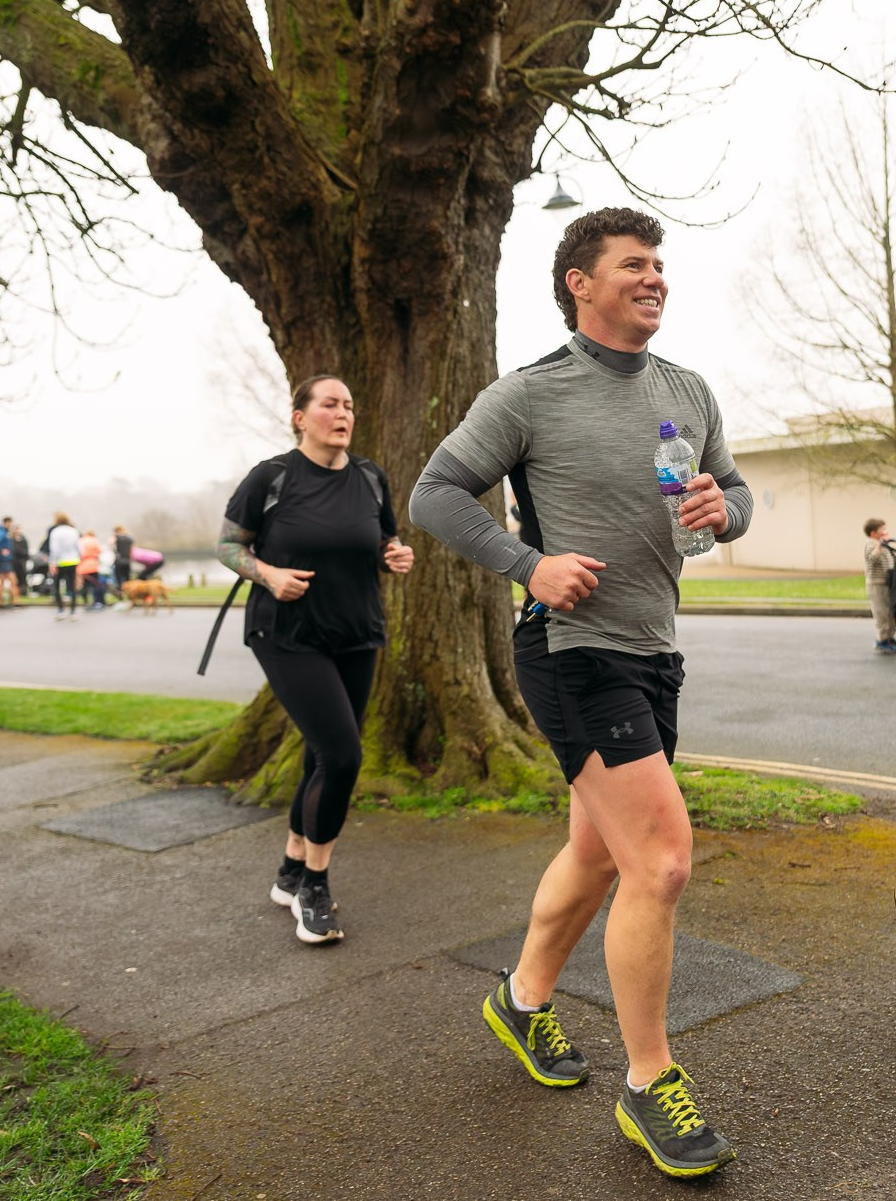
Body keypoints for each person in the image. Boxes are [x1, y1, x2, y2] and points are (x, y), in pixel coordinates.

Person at [411, 207, 752, 1178]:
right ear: (579, 282)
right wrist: (527, 563)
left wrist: (725, 508)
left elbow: (734, 488)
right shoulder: (528, 393)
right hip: (570, 649)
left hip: (649, 647)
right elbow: (434, 491)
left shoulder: (686, 389)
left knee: (598, 852)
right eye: (633, 265)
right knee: (662, 859)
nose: (654, 278)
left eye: (658, 266)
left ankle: (519, 1002)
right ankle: (649, 1083)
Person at [216, 375, 415, 947]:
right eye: (329, 404)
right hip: (287, 635)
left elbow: (380, 542)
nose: (342, 413)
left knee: (322, 754)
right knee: (343, 753)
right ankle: (314, 885)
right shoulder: (272, 478)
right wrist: (268, 574)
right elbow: (228, 545)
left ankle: (288, 870)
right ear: (300, 416)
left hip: (356, 632)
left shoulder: (370, 477)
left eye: (349, 404)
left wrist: (393, 555)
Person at [863, 518, 896, 653]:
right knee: (881, 612)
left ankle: (890, 637)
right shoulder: (871, 544)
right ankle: (882, 639)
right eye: (882, 529)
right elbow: (872, 559)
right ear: (873, 533)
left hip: (887, 583)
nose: (885, 531)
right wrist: (880, 546)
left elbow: (895, 560)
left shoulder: (884, 545)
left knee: (889, 612)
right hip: (876, 584)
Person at [46, 513, 81, 619]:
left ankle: (60, 611)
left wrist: (52, 562)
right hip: (73, 561)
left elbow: (54, 549)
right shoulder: (74, 531)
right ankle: (73, 612)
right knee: (72, 587)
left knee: (57, 587)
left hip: (60, 562)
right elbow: (78, 547)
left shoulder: (55, 532)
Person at [0, 519, 18, 608]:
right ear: (5, 523)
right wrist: (2, 551)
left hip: (4, 560)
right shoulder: (1, 532)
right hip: (4, 561)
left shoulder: (4, 532)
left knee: (3, 582)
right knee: (12, 581)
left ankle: (1, 601)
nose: (10, 525)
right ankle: (13, 601)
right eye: (10, 523)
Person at [79, 529, 108, 610]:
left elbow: (79, 553)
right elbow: (100, 551)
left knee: (85, 585)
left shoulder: (81, 541)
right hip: (93, 565)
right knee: (95, 584)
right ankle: (97, 602)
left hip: (83, 565)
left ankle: (86, 602)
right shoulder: (95, 540)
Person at [112, 524, 134, 589]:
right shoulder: (129, 539)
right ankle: (128, 593)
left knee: (118, 580)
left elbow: (111, 544)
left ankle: (120, 593)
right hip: (128, 561)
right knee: (127, 579)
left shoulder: (116, 538)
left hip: (119, 562)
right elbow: (131, 551)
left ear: (116, 531)